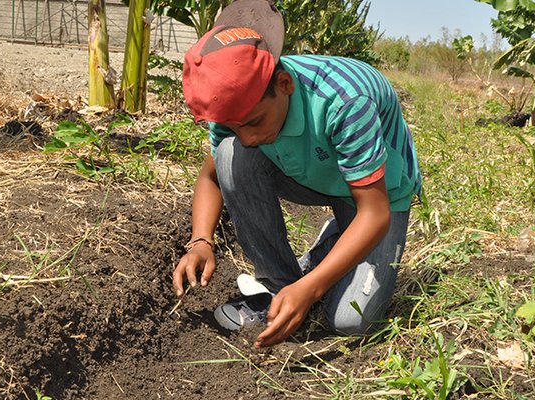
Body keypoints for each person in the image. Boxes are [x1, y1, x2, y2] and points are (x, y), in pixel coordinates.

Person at [172, 0, 421, 348]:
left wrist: (311, 287)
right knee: (231, 155)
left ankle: (331, 243)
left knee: (350, 320)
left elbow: (374, 212)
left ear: (285, 84)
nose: (248, 137)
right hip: (312, 173)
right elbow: (211, 176)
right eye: (234, 126)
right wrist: (201, 241)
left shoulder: (346, 101)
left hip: (376, 197)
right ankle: (279, 284)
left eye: (255, 122)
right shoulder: (238, 106)